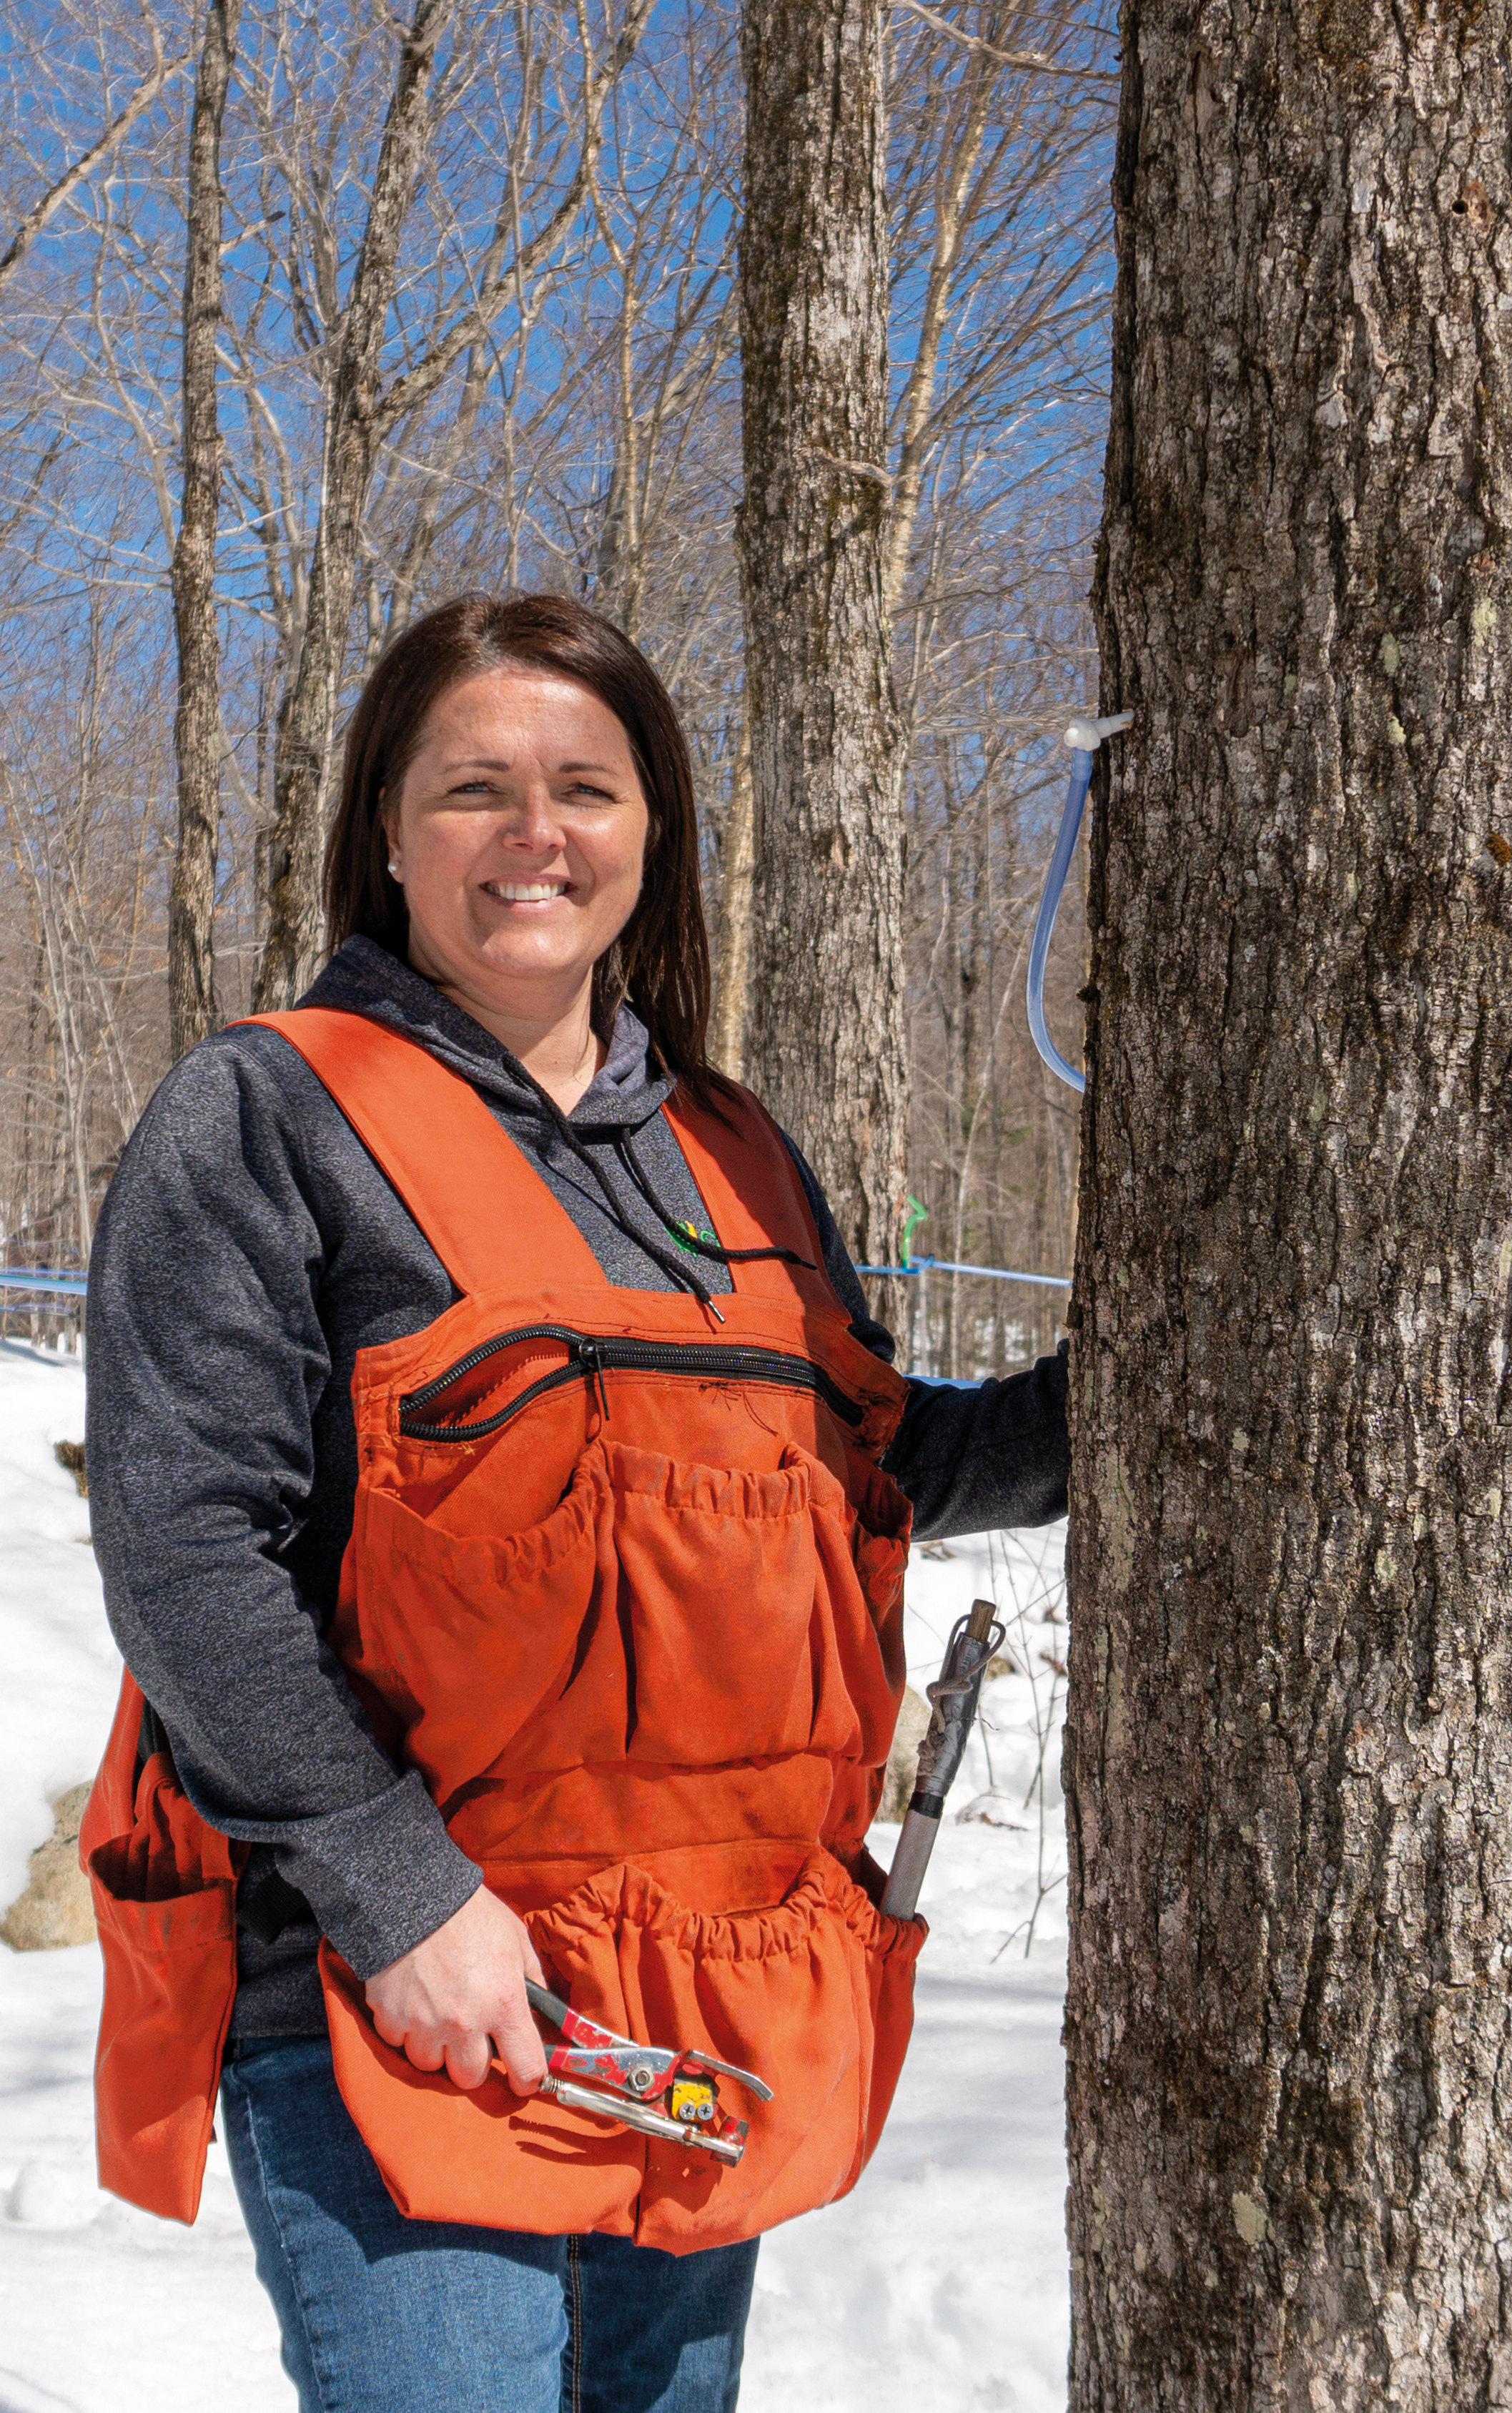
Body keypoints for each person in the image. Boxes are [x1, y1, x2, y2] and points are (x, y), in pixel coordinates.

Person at [79, 592, 1069, 2413]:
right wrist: (399, 1897)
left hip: (708, 1995)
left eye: (586, 787)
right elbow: (182, 1548)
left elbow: (864, 1468)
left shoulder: (732, 1145)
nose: (535, 833)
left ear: (652, 831)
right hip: (415, 1992)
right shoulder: (269, 1115)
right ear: (388, 826)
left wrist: (1124, 1402)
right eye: (475, 787)